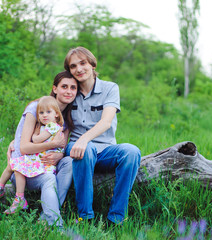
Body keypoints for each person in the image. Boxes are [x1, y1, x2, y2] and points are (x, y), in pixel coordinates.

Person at [0, 71, 78, 227]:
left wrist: (60, 155)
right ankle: (55, 224)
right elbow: (25, 147)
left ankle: (45, 216)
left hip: (43, 165)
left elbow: (61, 147)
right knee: (49, 178)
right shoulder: (37, 108)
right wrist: (51, 145)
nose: (69, 91)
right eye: (64, 87)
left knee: (69, 162)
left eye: (73, 88)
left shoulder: (65, 118)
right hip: (24, 169)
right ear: (55, 89)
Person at [63, 46, 141, 225]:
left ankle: (116, 218)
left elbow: (106, 122)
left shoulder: (110, 88)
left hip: (105, 151)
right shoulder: (69, 91)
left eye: (83, 63)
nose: (79, 69)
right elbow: (47, 110)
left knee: (131, 151)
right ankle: (85, 217)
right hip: (77, 151)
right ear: (70, 71)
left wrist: (84, 138)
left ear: (92, 64)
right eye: (73, 66)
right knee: (86, 150)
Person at [0, 96, 66, 214]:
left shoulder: (52, 127)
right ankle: (2, 189)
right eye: (41, 112)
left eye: (48, 112)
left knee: (17, 165)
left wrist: (35, 134)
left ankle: (15, 196)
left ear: (57, 114)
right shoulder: (44, 126)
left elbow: (36, 140)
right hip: (38, 160)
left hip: (44, 164)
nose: (44, 115)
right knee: (14, 165)